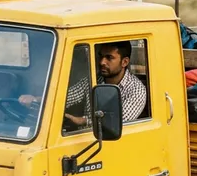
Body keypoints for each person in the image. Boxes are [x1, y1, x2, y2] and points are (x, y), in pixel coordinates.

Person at [19, 40, 147, 128]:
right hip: (86, 140)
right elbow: (67, 97)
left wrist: (82, 121)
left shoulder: (136, 90)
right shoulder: (93, 80)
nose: (102, 62)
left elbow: (117, 122)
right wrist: (36, 100)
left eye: (109, 58)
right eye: (101, 56)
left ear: (124, 62)